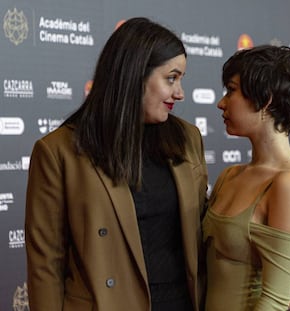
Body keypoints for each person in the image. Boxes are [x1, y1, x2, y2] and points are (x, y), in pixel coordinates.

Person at [25, 17, 208, 311]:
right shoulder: (58, 151)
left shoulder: (188, 138)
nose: (179, 93)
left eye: (181, 79)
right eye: (171, 78)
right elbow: (45, 263)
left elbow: (207, 233)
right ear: (135, 74)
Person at [203, 45, 290, 310]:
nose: (221, 103)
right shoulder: (229, 175)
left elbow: (275, 302)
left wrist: (281, 281)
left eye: (231, 90)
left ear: (265, 99)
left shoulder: (289, 186)